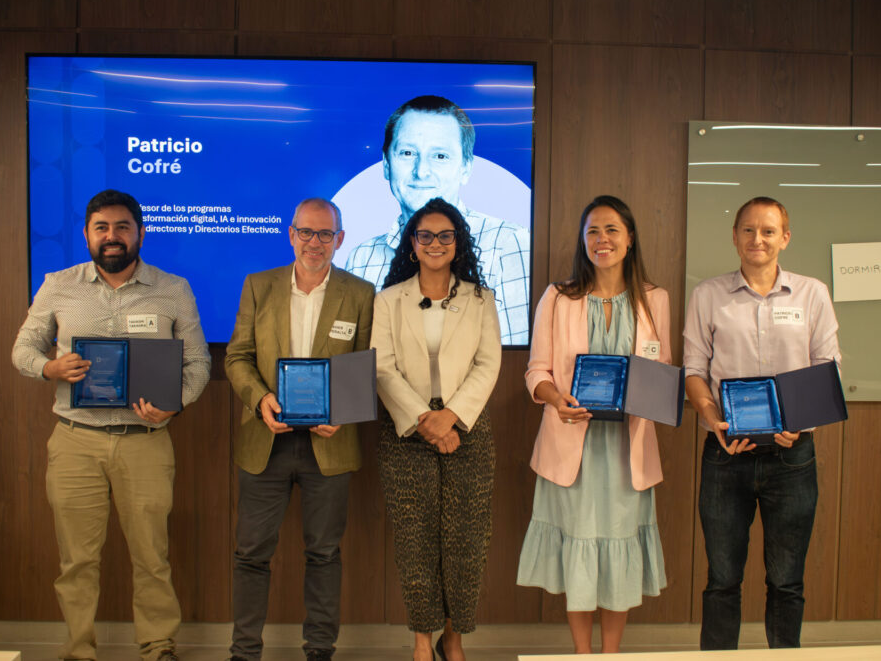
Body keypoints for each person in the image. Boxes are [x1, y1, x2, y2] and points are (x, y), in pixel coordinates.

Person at [12, 189, 211, 661]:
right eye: (101, 227)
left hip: (145, 441)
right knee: (77, 560)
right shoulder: (58, 285)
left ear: (140, 232)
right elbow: (23, 350)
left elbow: (199, 363)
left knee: (152, 557)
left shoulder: (174, 289)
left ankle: (158, 647)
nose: (112, 236)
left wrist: (174, 404)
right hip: (75, 441)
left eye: (123, 226)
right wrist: (49, 368)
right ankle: (79, 649)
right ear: (86, 234)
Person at [683, 196, 841, 650]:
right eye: (748, 230)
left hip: (792, 456)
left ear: (785, 238)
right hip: (726, 454)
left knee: (787, 580)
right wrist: (712, 416)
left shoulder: (812, 293)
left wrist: (801, 421)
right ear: (735, 237)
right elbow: (694, 369)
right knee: (722, 580)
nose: (758, 239)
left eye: (769, 231)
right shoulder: (708, 295)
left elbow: (826, 366)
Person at [516, 195, 669, 654]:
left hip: (627, 449)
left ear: (630, 238)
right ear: (583, 240)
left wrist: (648, 396)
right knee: (579, 552)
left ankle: (610, 654)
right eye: (593, 232)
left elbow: (661, 370)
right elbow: (536, 371)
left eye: (612, 230)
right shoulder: (558, 297)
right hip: (571, 448)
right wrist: (555, 399)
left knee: (620, 553)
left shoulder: (655, 299)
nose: (602, 240)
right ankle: (582, 653)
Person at [224, 198, 375, 661]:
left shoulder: (361, 293)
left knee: (324, 554)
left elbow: (367, 367)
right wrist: (260, 399)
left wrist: (343, 410)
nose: (315, 242)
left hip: (329, 445)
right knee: (251, 553)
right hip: (266, 439)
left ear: (339, 239)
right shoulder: (259, 286)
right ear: (291, 235)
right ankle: (244, 652)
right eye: (306, 232)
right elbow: (237, 357)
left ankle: (320, 652)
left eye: (325, 234)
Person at [371, 197, 501, 661]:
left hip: (468, 429)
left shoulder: (480, 299)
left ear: (458, 243)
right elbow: (382, 368)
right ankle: (422, 642)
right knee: (416, 542)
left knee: (466, 542)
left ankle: (454, 638)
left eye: (446, 235)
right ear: (412, 243)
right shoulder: (388, 300)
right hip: (406, 433)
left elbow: (488, 364)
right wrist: (424, 419)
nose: (435, 243)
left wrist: (452, 416)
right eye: (425, 235)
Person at [345, 94, 531, 345]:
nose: (421, 171)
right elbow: (362, 357)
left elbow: (513, 357)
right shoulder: (361, 259)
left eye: (440, 156)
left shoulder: (509, 244)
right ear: (386, 164)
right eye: (408, 152)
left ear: (466, 167)